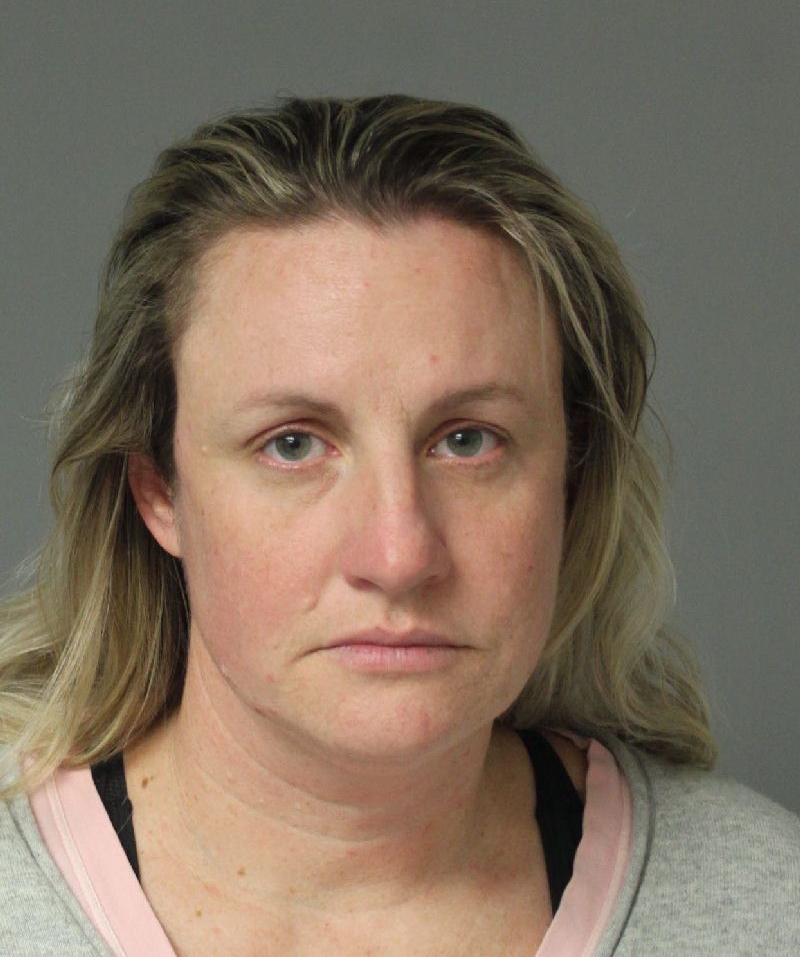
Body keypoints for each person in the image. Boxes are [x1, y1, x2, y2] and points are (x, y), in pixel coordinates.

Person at [0, 95, 797, 957]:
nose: (400, 554)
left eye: (468, 441)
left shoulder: (766, 907)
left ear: (572, 480)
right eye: (293, 444)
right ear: (159, 491)